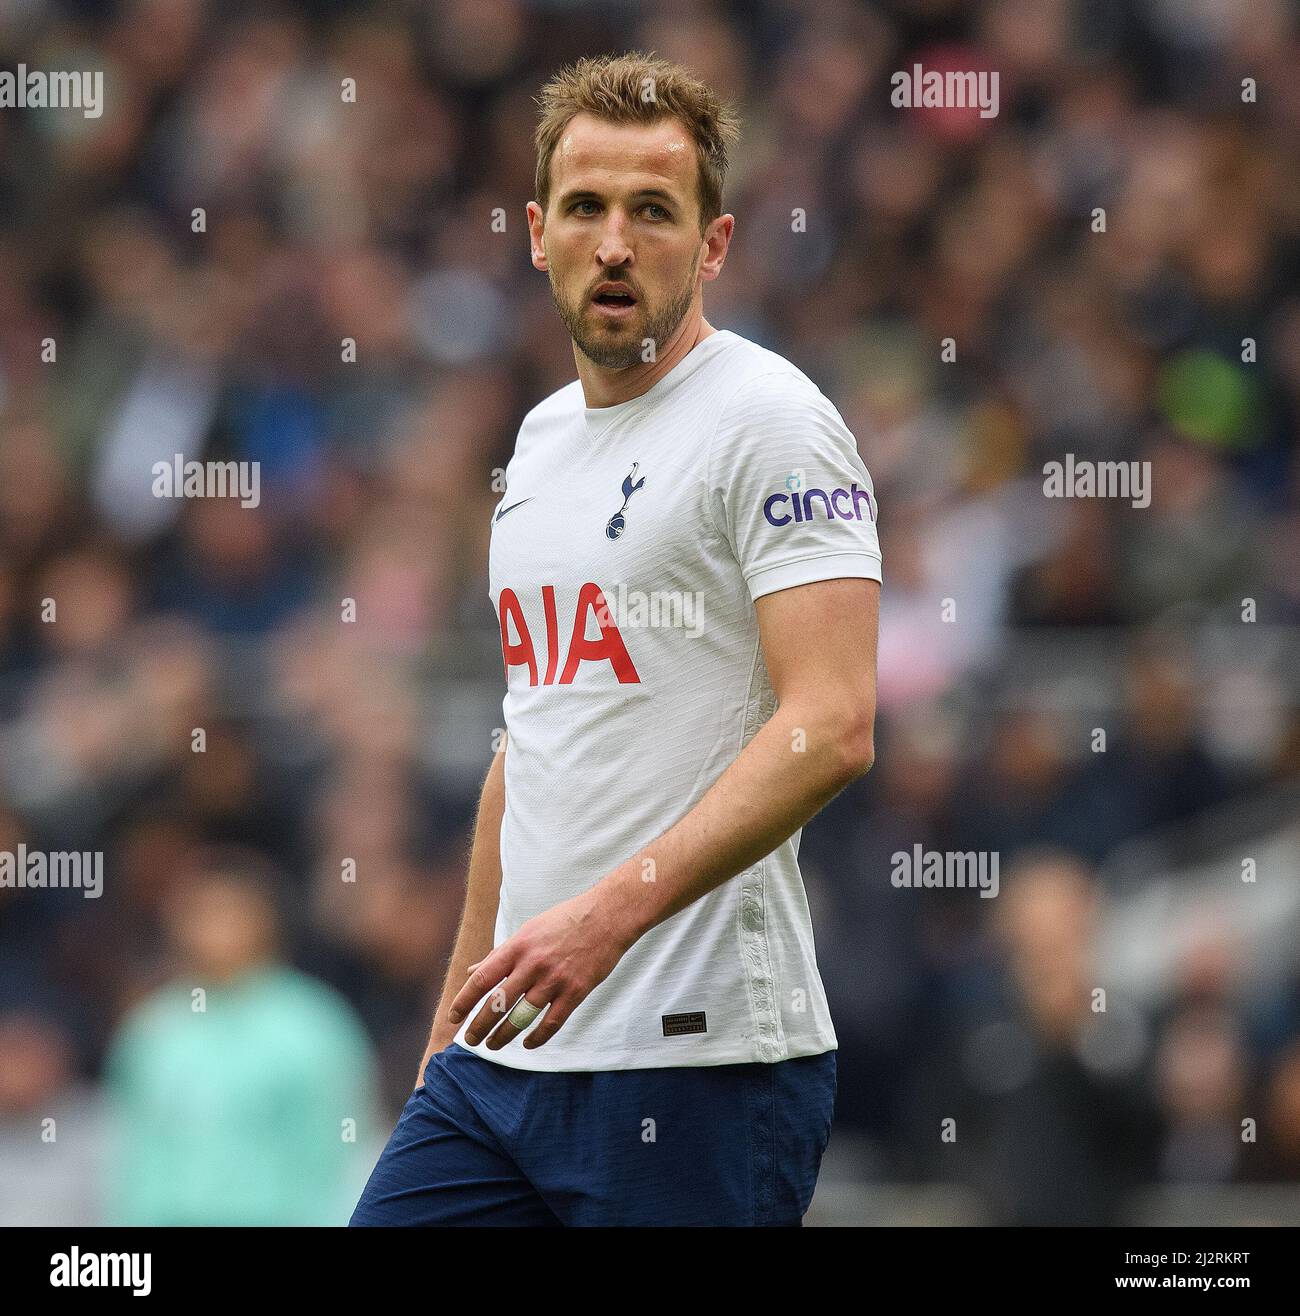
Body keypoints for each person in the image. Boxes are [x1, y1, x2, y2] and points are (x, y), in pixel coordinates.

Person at [351, 50, 882, 1228]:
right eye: (586, 207)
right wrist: (455, 1008)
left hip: (701, 1064)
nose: (614, 240)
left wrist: (605, 916)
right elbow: (529, 735)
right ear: (536, 232)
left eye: (654, 210)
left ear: (714, 243)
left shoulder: (772, 421)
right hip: (506, 1062)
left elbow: (834, 724)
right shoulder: (536, 444)